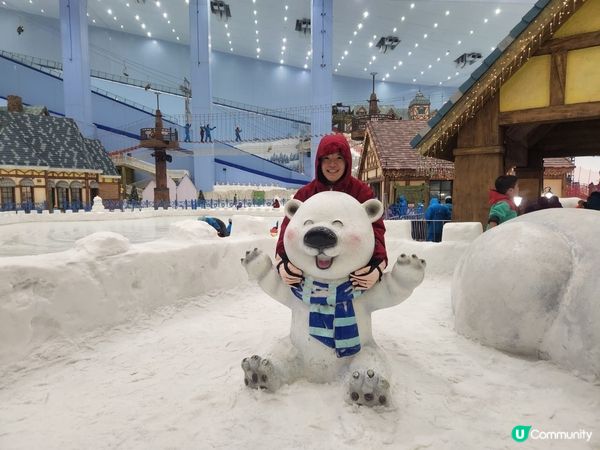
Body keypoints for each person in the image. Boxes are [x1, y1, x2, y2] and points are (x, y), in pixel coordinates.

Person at [275, 134, 387, 291]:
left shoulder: (361, 192)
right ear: (319, 162)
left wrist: (377, 265)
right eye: (326, 158)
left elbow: (376, 230)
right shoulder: (306, 194)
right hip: (310, 281)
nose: (332, 164)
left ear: (347, 161)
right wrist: (283, 260)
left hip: (351, 281)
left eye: (339, 158)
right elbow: (288, 227)